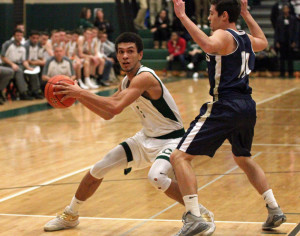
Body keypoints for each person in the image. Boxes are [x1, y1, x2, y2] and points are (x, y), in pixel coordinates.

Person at [43, 32, 214, 232]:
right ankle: (70, 215)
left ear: (140, 55)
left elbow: (115, 107)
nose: (125, 56)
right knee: (99, 168)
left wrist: (80, 92)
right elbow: (108, 114)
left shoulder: (145, 77)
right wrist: (80, 96)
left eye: (130, 52)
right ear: (116, 56)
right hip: (145, 138)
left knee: (156, 177)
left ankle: (199, 213)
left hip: (171, 139)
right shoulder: (126, 81)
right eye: (121, 52)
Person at [170, 0, 287, 235]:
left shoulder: (223, 35)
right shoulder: (245, 37)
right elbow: (263, 41)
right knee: (243, 158)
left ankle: (194, 216)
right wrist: (246, 14)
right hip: (247, 105)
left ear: (224, 16)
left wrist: (183, 17)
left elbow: (206, 44)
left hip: (225, 105)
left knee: (179, 157)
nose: (209, 19)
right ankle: (274, 209)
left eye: (212, 14)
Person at [1, 29, 34, 100]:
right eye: (17, 35)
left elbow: (24, 60)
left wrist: (28, 67)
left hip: (18, 64)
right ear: (14, 36)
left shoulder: (23, 47)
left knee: (32, 71)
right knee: (18, 71)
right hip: (6, 64)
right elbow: (3, 57)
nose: (19, 37)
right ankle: (23, 92)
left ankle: (34, 90)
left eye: (21, 36)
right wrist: (12, 64)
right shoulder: (7, 44)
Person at [275, 4, 298, 78]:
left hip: (290, 41)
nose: (285, 10)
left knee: (290, 58)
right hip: (282, 41)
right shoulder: (279, 19)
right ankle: (282, 73)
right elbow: (277, 31)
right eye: (284, 9)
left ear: (289, 10)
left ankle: (290, 73)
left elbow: (296, 31)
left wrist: (294, 41)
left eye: (287, 9)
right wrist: (277, 41)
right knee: (282, 58)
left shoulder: (293, 19)